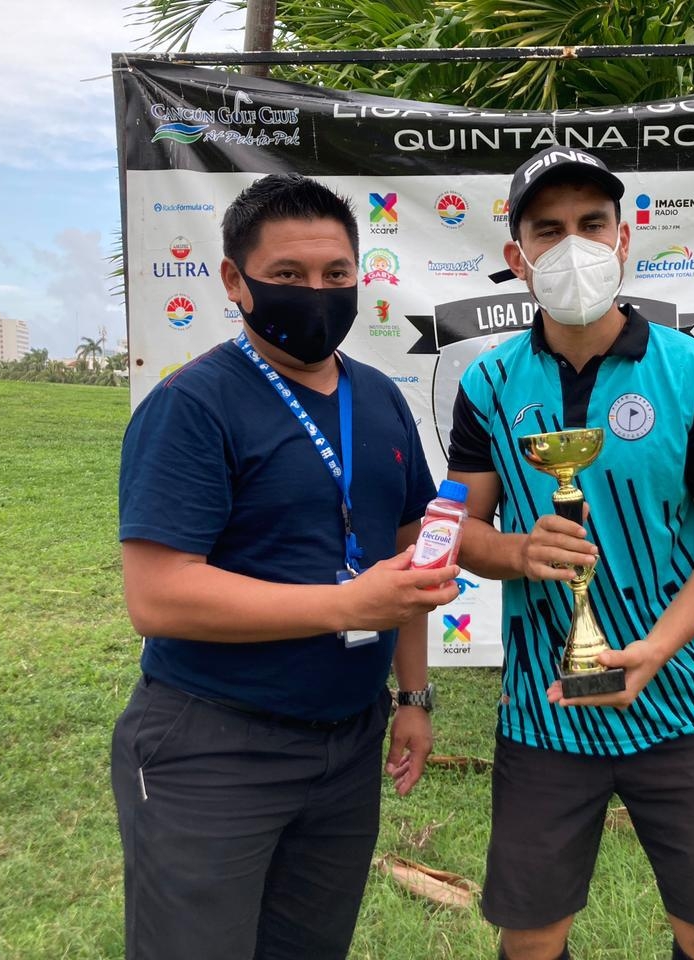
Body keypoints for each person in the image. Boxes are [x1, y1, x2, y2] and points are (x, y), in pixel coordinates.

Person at [112, 173, 459, 960]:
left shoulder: (377, 397)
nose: (317, 293)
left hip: (347, 747)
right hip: (214, 745)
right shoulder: (192, 406)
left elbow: (410, 556)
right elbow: (159, 597)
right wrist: (343, 606)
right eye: (289, 276)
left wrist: (414, 694)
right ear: (235, 281)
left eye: (337, 275)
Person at [446, 147, 694, 960]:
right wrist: (515, 551)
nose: (574, 246)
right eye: (548, 231)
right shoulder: (487, 385)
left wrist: (655, 649)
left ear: (624, 240)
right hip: (543, 705)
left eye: (593, 224)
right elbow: (460, 531)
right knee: (531, 937)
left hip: (681, 700)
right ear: (518, 258)